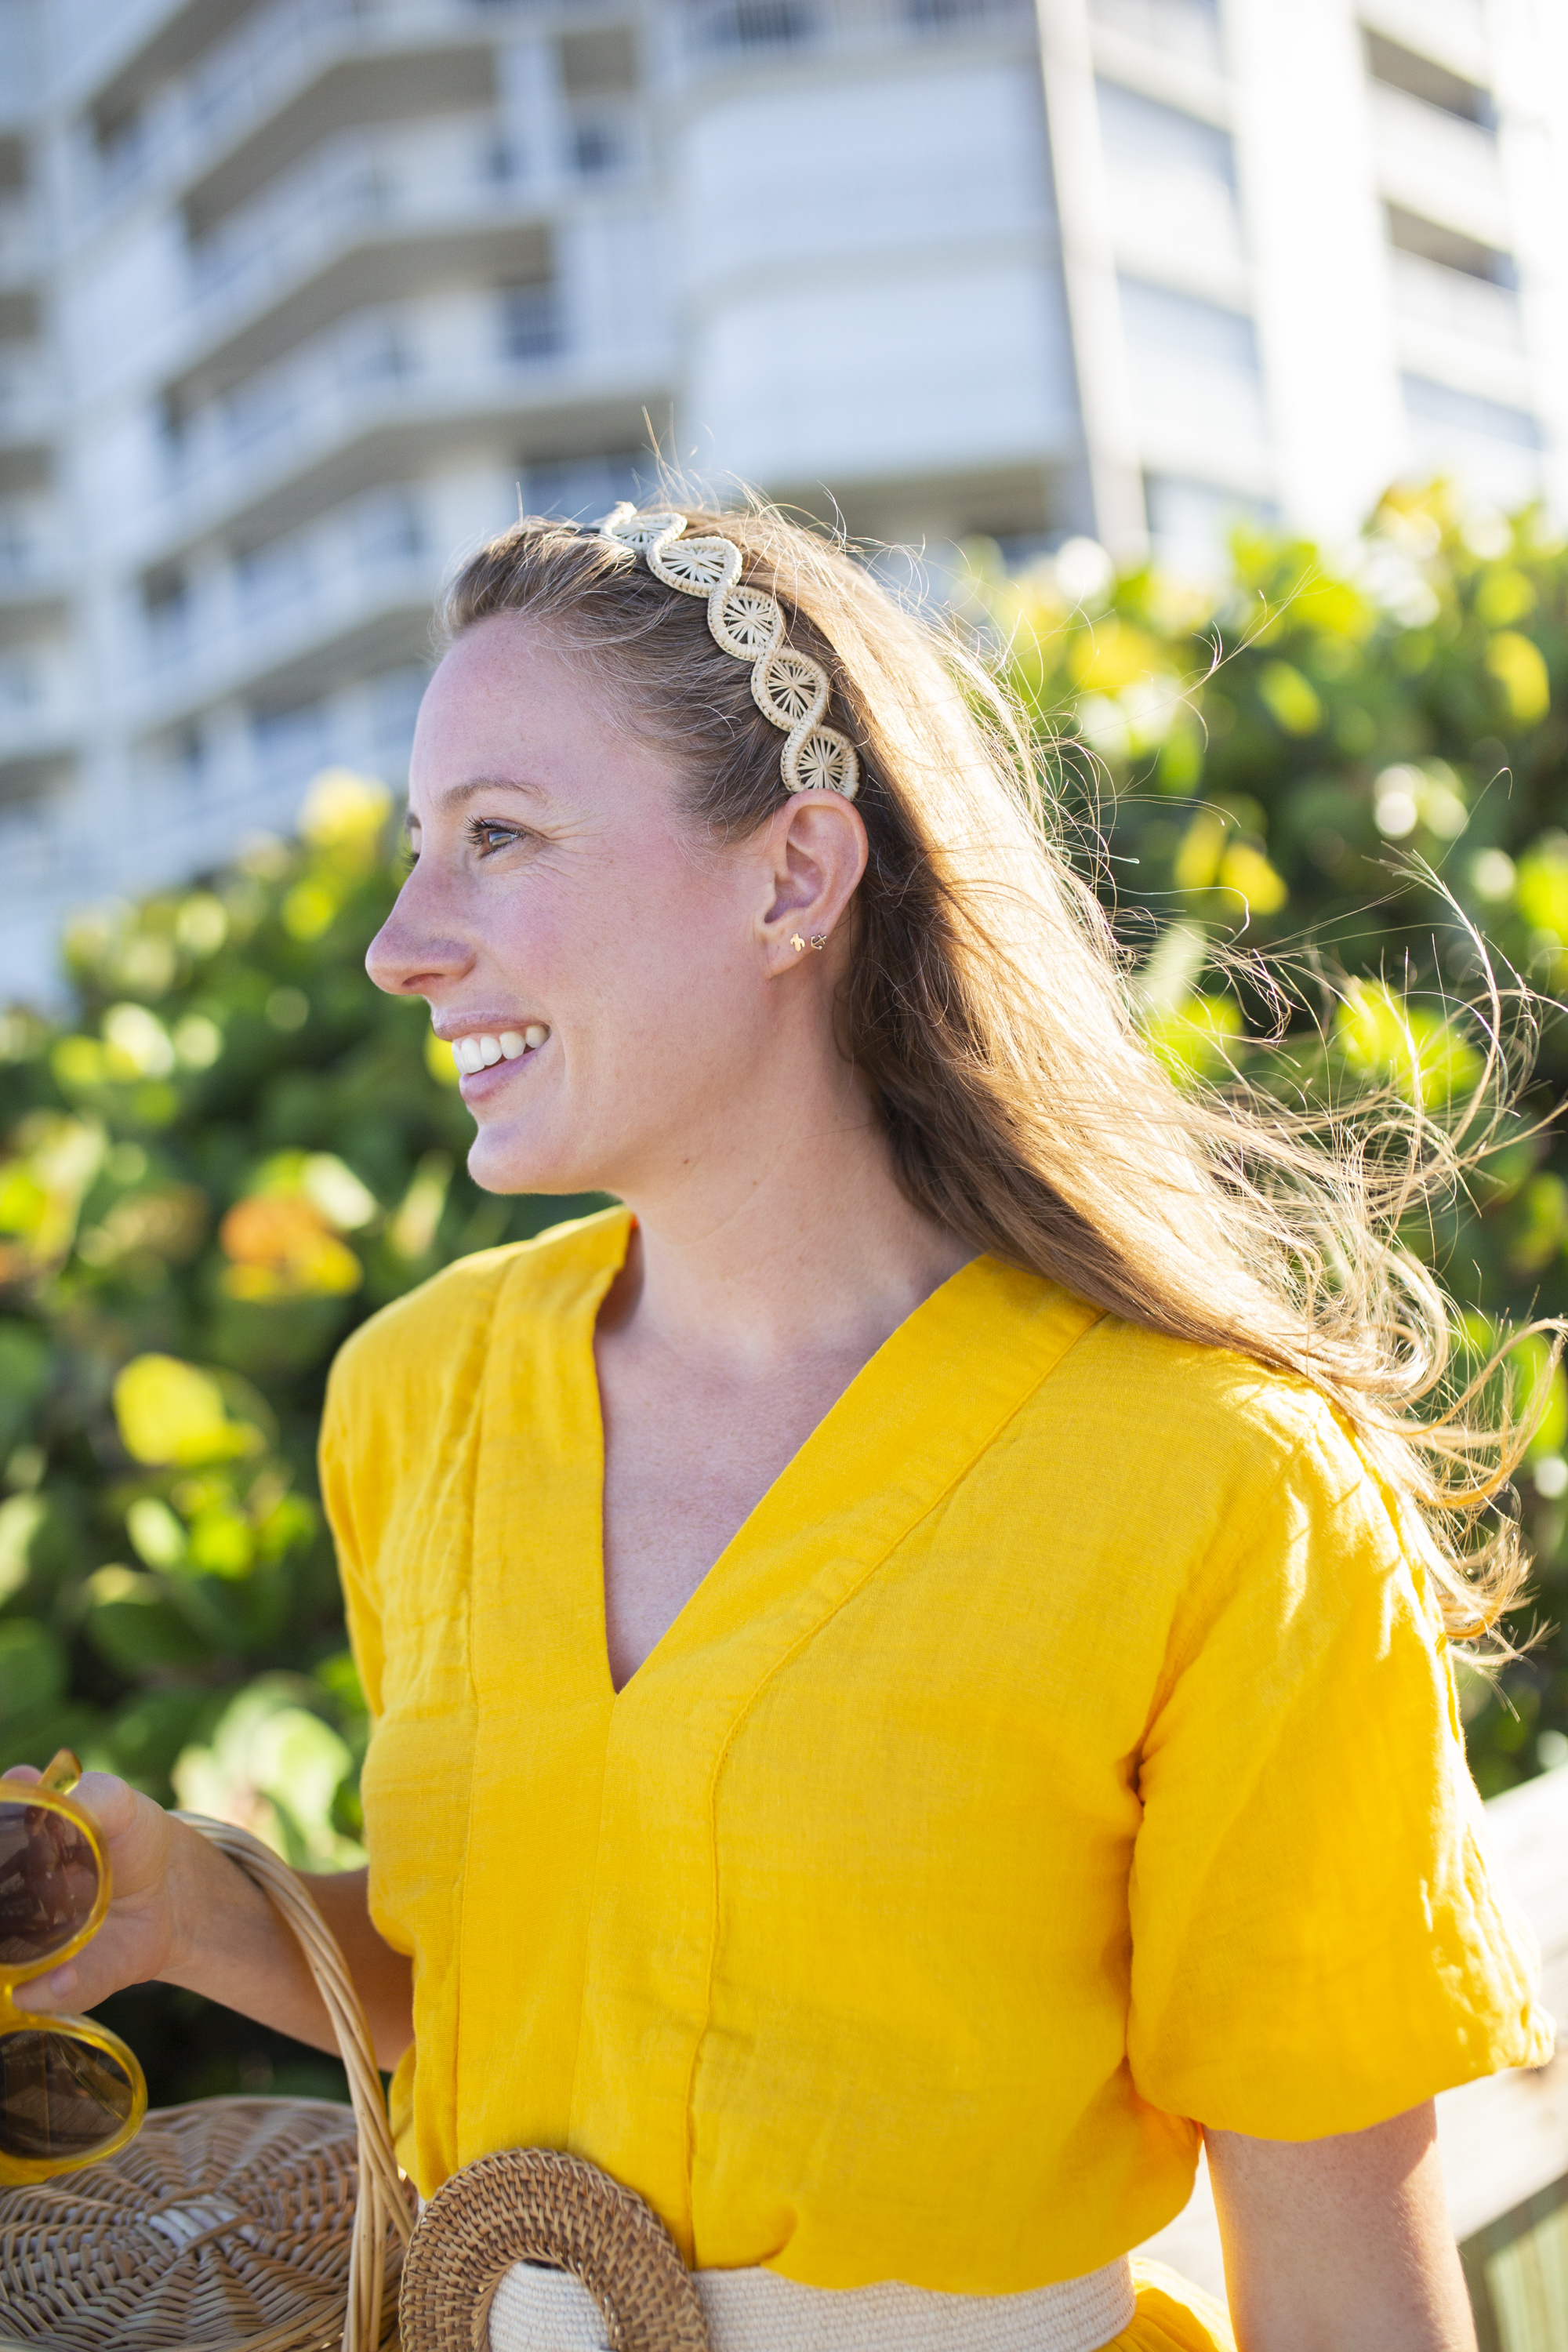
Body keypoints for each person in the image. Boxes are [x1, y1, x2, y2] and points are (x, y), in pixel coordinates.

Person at [11, 500, 1550, 2352]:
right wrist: (191, 1909)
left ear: (793, 874)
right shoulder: (413, 1395)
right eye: (419, 852)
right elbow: (542, 1975)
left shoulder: (1223, 1482)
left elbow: (1340, 2282)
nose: (403, 945)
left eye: (497, 838)